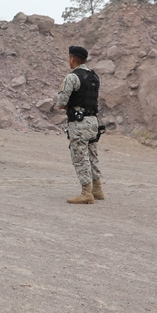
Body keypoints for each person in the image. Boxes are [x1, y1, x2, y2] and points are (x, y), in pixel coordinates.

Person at [53, 45, 104, 204]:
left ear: (72, 59)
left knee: (80, 157)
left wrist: (67, 105)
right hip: (93, 121)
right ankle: (97, 189)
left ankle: (86, 193)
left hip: (79, 123)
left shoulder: (72, 77)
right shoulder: (94, 76)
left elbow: (62, 101)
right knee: (92, 156)